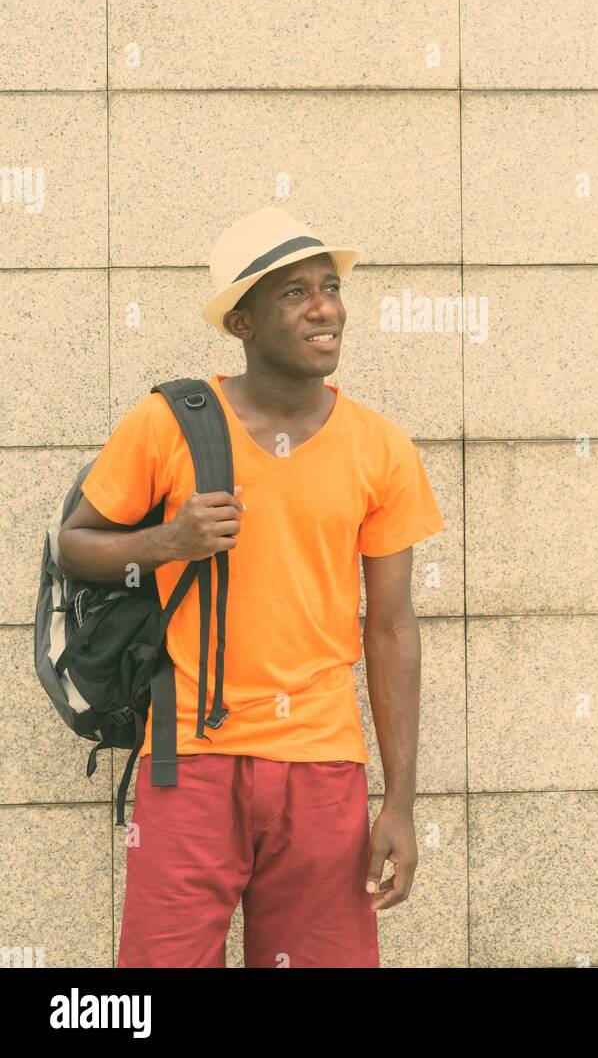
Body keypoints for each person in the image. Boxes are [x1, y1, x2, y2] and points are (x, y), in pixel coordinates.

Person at [58, 206, 445, 968]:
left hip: (323, 764)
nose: (324, 307)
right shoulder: (168, 421)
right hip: (187, 760)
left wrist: (397, 801)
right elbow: (76, 545)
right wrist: (167, 541)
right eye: (294, 292)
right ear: (240, 320)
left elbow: (392, 627)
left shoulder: (381, 447)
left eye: (329, 287)